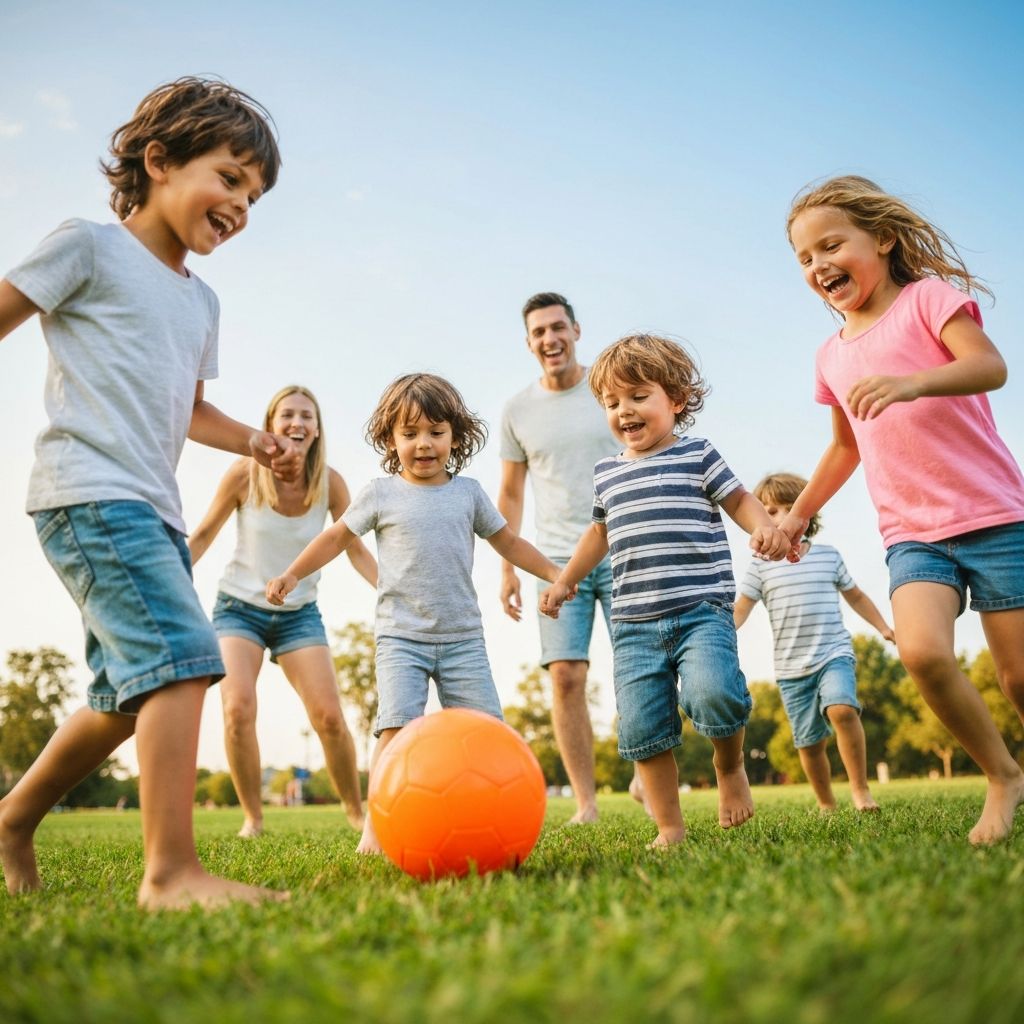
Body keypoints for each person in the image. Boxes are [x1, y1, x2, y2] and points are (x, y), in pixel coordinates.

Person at [0, 78, 297, 908]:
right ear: (159, 162)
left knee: (128, 698)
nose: (241, 205)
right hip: (89, 493)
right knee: (183, 662)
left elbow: (192, 408)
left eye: (255, 196)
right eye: (230, 178)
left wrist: (254, 440)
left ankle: (12, 819)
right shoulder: (89, 248)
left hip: (150, 507)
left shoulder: (202, 301)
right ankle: (171, 874)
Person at [784, 175, 1024, 844]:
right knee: (920, 653)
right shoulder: (830, 356)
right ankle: (1004, 775)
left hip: (995, 516)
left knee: (1019, 675)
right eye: (805, 258)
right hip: (913, 534)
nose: (818, 265)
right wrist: (797, 513)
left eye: (831, 245)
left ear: (883, 239)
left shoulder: (926, 301)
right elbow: (843, 448)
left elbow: (990, 366)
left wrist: (913, 381)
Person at [266, 373, 566, 854]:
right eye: (410, 434)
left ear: (455, 436)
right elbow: (336, 538)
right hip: (401, 637)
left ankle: (495, 817)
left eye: (435, 431)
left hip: (463, 637)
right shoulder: (380, 494)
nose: (423, 444)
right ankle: (374, 829)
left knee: (486, 730)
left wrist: (553, 570)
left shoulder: (467, 493)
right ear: (391, 439)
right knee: (395, 727)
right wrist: (292, 574)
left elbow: (507, 541)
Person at [541, 334, 792, 847]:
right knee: (642, 728)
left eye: (637, 397)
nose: (624, 411)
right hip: (634, 625)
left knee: (714, 693)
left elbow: (740, 498)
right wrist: (565, 578)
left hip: (702, 610)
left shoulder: (698, 454)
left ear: (675, 400)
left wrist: (764, 527)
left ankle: (730, 766)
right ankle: (670, 827)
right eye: (612, 403)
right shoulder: (607, 473)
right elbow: (598, 534)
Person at [188, 385, 377, 837]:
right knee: (237, 708)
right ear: (270, 425)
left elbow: (353, 550)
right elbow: (203, 535)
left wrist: (393, 588)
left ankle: (356, 812)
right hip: (238, 609)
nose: (296, 423)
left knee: (330, 717)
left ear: (316, 429)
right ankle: (253, 817)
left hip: (299, 613)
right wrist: (164, 577)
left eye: (306, 416)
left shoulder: (330, 483)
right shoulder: (242, 474)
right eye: (287, 415)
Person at [499, 292, 634, 825]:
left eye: (558, 327)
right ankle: (586, 803)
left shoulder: (609, 390)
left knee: (640, 665)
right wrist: (507, 564)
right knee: (565, 677)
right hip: (553, 560)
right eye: (539, 332)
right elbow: (510, 493)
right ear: (529, 342)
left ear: (577, 330)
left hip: (626, 547)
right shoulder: (517, 410)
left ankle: (649, 778)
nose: (550, 339)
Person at [734, 472, 895, 811]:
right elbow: (741, 608)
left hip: (833, 652)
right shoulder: (760, 566)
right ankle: (826, 803)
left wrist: (884, 627)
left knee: (842, 709)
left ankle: (861, 791)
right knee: (809, 744)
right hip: (791, 668)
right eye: (766, 511)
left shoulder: (828, 556)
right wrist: (717, 638)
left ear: (804, 515)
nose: (773, 517)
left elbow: (857, 596)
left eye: (780, 509)